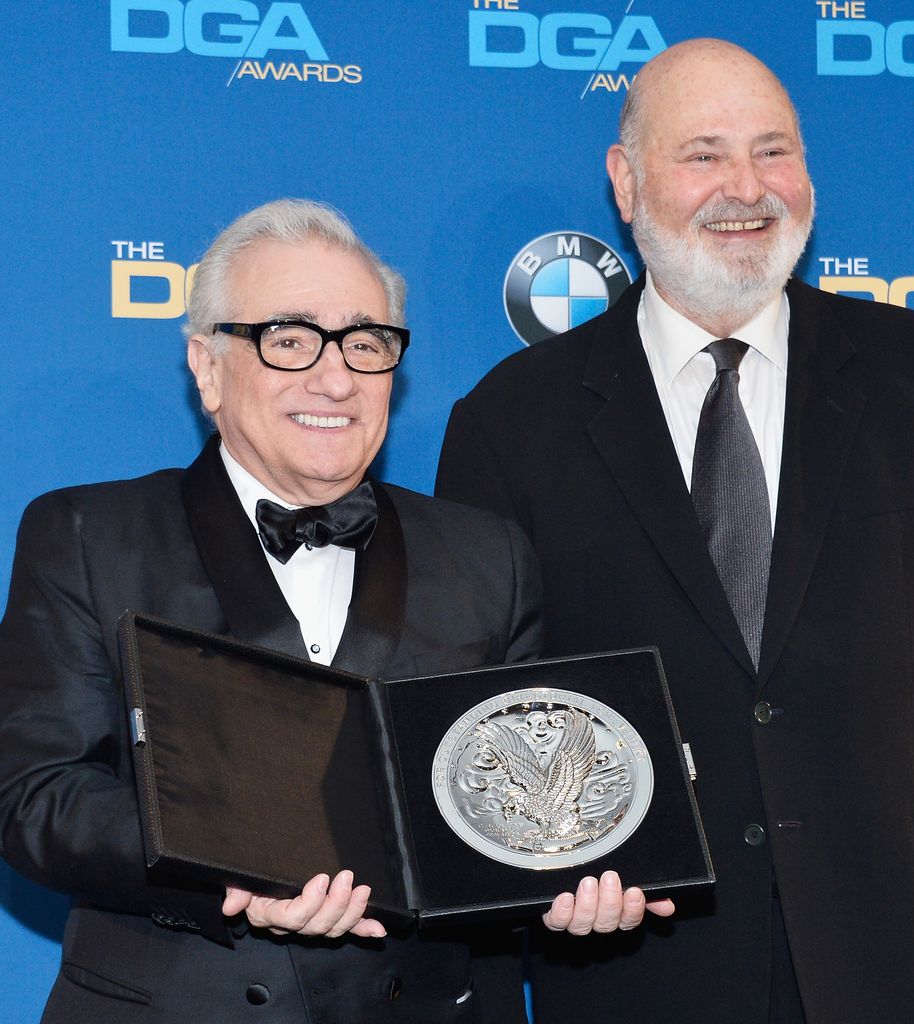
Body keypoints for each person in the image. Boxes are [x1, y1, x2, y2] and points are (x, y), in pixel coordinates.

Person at [436, 39, 914, 1024]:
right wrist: (546, 888)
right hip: (637, 974)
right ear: (625, 183)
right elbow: (482, 731)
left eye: (773, 151)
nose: (745, 188)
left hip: (911, 967)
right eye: (702, 154)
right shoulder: (509, 422)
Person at [0, 199, 551, 1023]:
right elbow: (35, 796)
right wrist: (226, 866)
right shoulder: (87, 534)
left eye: (366, 343)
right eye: (289, 340)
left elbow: (518, 808)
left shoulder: (488, 557)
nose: (335, 378)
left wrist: (567, 880)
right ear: (208, 365)